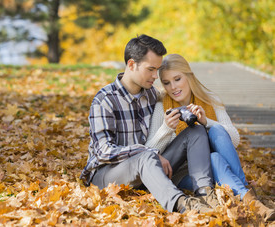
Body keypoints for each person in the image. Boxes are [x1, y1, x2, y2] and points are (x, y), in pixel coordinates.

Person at [80, 35, 218, 214]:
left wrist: (186, 111)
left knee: (195, 131)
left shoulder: (152, 94)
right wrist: (147, 152)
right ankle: (184, 205)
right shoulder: (104, 100)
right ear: (131, 65)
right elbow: (104, 151)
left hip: (148, 168)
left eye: (157, 70)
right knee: (145, 157)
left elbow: (173, 98)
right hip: (107, 175)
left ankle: (205, 194)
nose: (156, 76)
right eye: (151, 69)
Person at [146, 53, 275, 222]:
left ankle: (248, 199)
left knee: (216, 138)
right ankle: (249, 197)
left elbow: (234, 139)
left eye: (177, 79)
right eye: (166, 82)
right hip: (186, 173)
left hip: (215, 165)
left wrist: (206, 121)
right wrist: (166, 128)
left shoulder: (209, 99)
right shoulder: (162, 107)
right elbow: (148, 149)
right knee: (213, 157)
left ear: (189, 76)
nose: (173, 87)